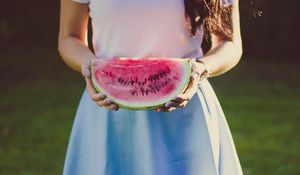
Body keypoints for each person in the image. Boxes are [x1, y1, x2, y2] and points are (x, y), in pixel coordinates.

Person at [58, 0, 243, 174]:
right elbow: (69, 38)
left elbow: (230, 43)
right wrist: (91, 70)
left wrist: (201, 68)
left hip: (185, 110)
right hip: (109, 110)